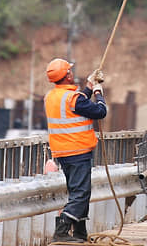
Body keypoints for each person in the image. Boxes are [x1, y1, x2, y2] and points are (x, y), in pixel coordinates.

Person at [44, 58, 108, 243]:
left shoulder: (52, 97)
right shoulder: (73, 98)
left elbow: (77, 105)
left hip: (63, 153)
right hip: (78, 151)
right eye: (70, 71)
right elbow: (100, 111)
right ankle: (62, 230)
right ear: (68, 75)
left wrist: (89, 85)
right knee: (81, 194)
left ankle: (80, 232)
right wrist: (98, 92)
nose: (72, 73)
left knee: (77, 192)